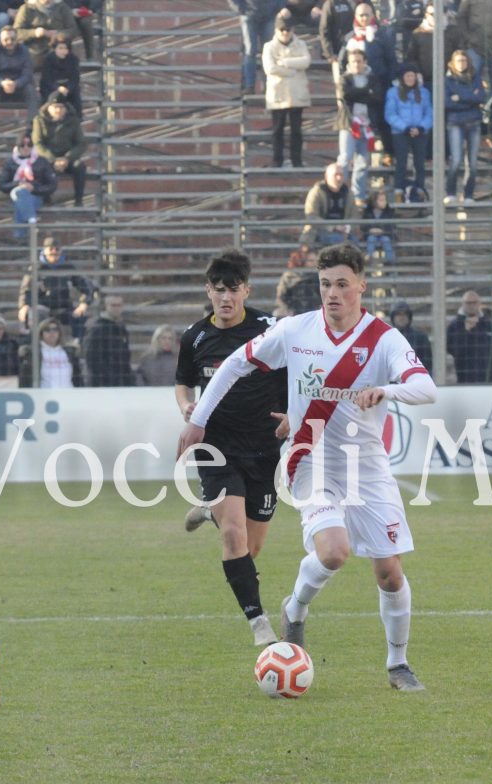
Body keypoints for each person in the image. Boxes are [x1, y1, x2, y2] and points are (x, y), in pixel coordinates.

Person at [178, 243, 438, 691]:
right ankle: (296, 608)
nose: (332, 293)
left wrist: (387, 391)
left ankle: (398, 663)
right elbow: (235, 364)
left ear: (362, 286)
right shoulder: (295, 330)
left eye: (342, 284)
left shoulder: (383, 339)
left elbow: (426, 388)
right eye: (325, 284)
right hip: (309, 459)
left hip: (367, 467)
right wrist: (198, 419)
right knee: (334, 551)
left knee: (389, 572)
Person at [173, 251, 289, 645]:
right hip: (217, 448)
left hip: (265, 448)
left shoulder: (269, 331)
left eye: (233, 290)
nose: (225, 298)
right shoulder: (195, 336)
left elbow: (295, 374)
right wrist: (186, 406)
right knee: (234, 537)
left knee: (250, 549)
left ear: (247, 291)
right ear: (208, 290)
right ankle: (260, 627)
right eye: (218, 290)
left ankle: (211, 511)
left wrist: (293, 414)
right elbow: (182, 382)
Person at [264, 11, 311, 169]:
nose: (285, 32)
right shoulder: (269, 47)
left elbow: (306, 61)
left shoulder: (301, 44)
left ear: (293, 30)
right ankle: (277, 161)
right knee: (277, 130)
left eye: (288, 29)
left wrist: (285, 62)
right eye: (282, 29)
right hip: (278, 94)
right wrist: (291, 71)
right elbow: (270, 68)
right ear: (276, 30)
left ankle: (296, 160)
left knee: (296, 131)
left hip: (297, 94)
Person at [336, 47, 382, 207]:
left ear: (365, 62)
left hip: (367, 125)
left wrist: (357, 94)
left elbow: (377, 98)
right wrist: (366, 93)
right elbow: (345, 95)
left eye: (359, 61)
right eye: (353, 61)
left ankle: (358, 195)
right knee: (345, 158)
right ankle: (340, 192)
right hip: (349, 125)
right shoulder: (344, 78)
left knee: (363, 162)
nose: (356, 64)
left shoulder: (373, 78)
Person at [442, 47, 486, 205]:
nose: (461, 63)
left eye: (464, 60)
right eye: (459, 61)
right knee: (456, 159)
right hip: (455, 123)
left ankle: (468, 195)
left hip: (474, 122)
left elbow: (481, 97)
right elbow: (446, 103)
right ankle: (451, 192)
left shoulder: (475, 78)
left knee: (472, 162)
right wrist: (469, 98)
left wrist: (459, 98)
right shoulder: (447, 80)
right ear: (452, 63)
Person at [31, 94, 87, 207]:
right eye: (55, 107)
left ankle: (79, 200)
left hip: (68, 158)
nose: (58, 110)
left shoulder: (73, 120)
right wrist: (53, 159)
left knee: (80, 166)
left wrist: (67, 158)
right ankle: (46, 199)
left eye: (61, 107)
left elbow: (81, 143)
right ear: (48, 107)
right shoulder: (39, 120)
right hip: (48, 158)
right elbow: (38, 143)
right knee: (40, 166)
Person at [386, 65, 431, 199]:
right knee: (401, 162)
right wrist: (404, 127)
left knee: (420, 162)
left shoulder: (424, 93)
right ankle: (398, 190)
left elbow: (429, 112)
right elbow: (390, 114)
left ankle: (420, 189)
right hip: (400, 132)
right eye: (408, 76)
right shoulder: (392, 92)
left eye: (413, 76)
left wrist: (422, 127)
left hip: (420, 132)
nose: (410, 78)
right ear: (402, 78)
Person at [0, 131, 56, 233]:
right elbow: (2, 185)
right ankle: (32, 221)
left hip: (37, 195)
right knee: (21, 194)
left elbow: (52, 185)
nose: (26, 148)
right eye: (22, 145)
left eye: (29, 145)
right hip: (14, 195)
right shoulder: (10, 162)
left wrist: (34, 188)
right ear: (17, 146)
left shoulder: (41, 161)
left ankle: (21, 236)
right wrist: (18, 184)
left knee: (21, 203)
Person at [0, 24, 39, 131]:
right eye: (6, 40)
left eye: (12, 39)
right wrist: (2, 83)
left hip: (20, 87)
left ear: (17, 39)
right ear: (0, 40)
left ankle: (33, 127)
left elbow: (27, 73)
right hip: (0, 87)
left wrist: (16, 83)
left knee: (31, 90)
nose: (9, 42)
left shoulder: (24, 51)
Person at [81, 294, 134, 385]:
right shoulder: (97, 328)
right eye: (113, 305)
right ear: (106, 306)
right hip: (103, 383)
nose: (116, 308)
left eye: (119, 305)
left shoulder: (121, 329)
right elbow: (92, 358)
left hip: (120, 382)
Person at [446, 290, 492, 382]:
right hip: (463, 378)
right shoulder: (454, 325)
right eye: (468, 303)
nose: (471, 306)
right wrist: (465, 332)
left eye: (474, 303)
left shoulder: (489, 324)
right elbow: (453, 350)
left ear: (479, 304)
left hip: (488, 379)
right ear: (463, 304)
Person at [303, 162, 351, 245]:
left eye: (341, 175)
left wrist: (347, 228)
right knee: (337, 239)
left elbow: (355, 215)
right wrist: (333, 227)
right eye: (336, 175)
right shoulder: (316, 192)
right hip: (320, 230)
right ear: (327, 177)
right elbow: (311, 216)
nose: (339, 178)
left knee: (354, 242)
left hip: (344, 232)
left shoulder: (348, 193)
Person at [37, 35, 80, 111]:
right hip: (51, 87)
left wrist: (68, 89)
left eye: (65, 48)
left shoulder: (73, 59)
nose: (63, 51)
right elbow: (46, 79)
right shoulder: (48, 59)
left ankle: (76, 117)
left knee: (76, 97)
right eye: (60, 48)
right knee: (49, 98)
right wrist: (57, 88)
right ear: (55, 49)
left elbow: (75, 78)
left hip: (68, 87)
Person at [388, 298, 431, 372]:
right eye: (398, 314)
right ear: (393, 318)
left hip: (415, 376)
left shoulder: (421, 337)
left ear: (409, 317)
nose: (401, 317)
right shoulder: (387, 338)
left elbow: (427, 363)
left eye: (404, 314)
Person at [360, 188, 396, 263]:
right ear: (374, 201)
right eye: (381, 200)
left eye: (385, 200)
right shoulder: (368, 212)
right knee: (371, 239)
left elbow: (392, 225)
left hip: (385, 234)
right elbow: (363, 225)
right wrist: (370, 230)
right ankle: (369, 258)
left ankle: (390, 260)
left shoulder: (389, 211)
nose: (384, 202)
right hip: (371, 234)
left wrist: (382, 231)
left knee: (386, 240)